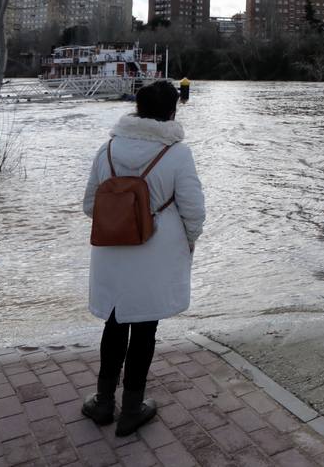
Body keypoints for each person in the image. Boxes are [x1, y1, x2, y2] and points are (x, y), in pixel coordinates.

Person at [81, 80, 206, 436]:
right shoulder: (177, 154)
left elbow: (89, 205)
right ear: (172, 112)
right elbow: (194, 211)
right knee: (145, 327)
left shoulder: (107, 149)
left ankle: (103, 402)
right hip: (155, 254)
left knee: (114, 323)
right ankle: (132, 409)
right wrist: (188, 241)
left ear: (137, 108)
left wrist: (119, 220)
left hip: (111, 251)